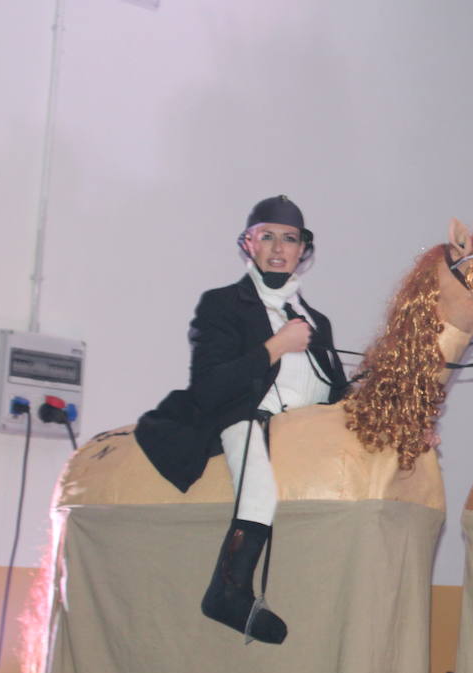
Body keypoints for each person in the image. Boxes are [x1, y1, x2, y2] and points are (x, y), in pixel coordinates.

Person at [137, 195, 349, 649]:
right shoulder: (221, 304)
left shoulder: (317, 321)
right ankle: (228, 589)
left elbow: (335, 390)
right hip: (245, 418)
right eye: (267, 236)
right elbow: (210, 383)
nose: (278, 247)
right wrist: (276, 346)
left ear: (301, 250)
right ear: (248, 244)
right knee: (261, 487)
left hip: (306, 429)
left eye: (289, 239)